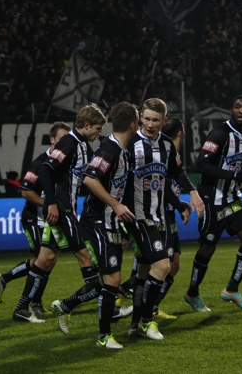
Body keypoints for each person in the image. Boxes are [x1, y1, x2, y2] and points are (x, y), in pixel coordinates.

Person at [11, 104, 106, 323]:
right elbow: (46, 168)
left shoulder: (81, 144)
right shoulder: (69, 142)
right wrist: (51, 203)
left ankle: (21, 308)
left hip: (66, 210)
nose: (99, 133)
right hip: (62, 211)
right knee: (84, 255)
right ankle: (95, 302)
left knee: (45, 258)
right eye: (98, 128)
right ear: (86, 124)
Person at [124, 98, 204, 340]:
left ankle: (135, 324)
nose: (150, 124)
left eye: (155, 120)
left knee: (143, 273)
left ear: (164, 121)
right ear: (139, 117)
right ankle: (148, 321)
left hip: (160, 216)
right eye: (146, 118)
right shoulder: (128, 143)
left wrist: (190, 193)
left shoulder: (167, 145)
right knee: (163, 266)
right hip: (137, 217)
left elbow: (176, 172)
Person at [184, 95, 242, 312]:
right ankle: (192, 293)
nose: (241, 111)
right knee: (207, 248)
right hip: (212, 199)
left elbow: (235, 164)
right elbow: (201, 165)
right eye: (237, 107)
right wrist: (236, 177)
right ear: (231, 111)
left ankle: (232, 289)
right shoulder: (219, 134)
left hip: (233, 198)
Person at [0, 122, 71, 315]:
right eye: (61, 139)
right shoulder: (41, 162)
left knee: (48, 262)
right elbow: (25, 191)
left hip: (51, 219)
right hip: (34, 218)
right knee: (42, 260)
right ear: (52, 140)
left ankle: (7, 281)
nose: (64, 144)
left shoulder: (64, 162)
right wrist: (48, 204)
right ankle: (31, 302)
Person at [77, 101, 139, 349]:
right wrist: (115, 204)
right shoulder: (110, 149)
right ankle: (103, 336)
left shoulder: (121, 150)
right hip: (98, 221)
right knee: (112, 279)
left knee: (108, 280)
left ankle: (68, 305)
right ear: (133, 124)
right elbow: (90, 179)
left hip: (110, 221)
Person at [152, 117, 191, 319]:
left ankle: (153, 306)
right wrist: (179, 205)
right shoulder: (162, 153)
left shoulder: (173, 155)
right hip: (157, 215)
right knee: (158, 265)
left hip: (168, 214)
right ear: (181, 133)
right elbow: (162, 184)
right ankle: (123, 293)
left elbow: (177, 178)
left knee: (174, 264)